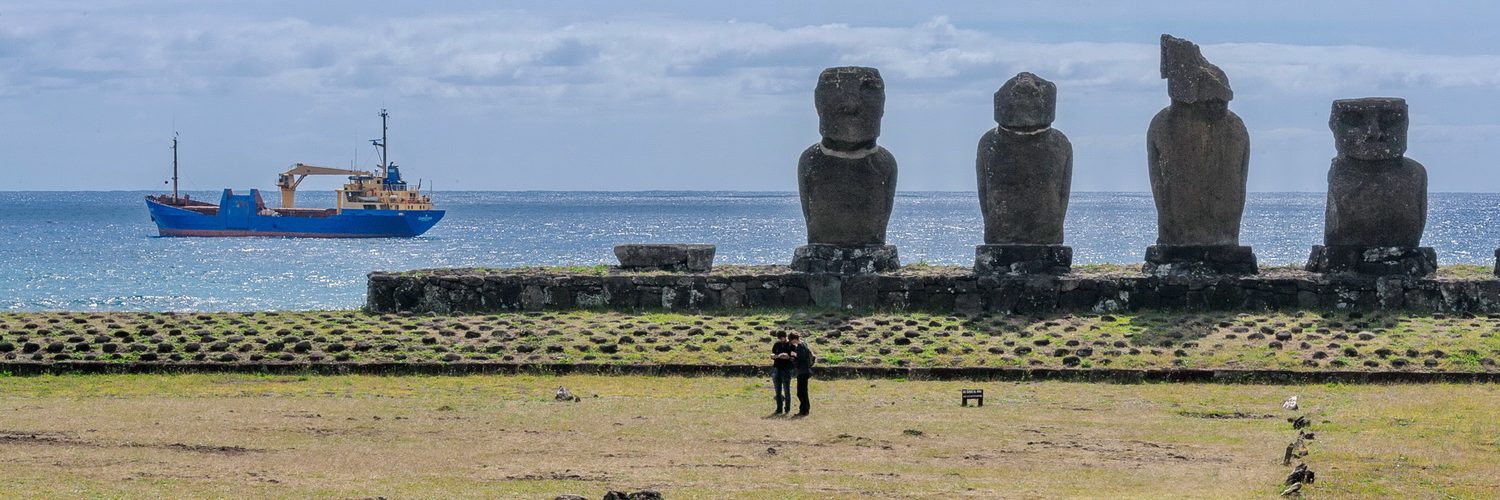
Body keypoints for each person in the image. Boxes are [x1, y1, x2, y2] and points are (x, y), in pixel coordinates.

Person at [790, 332, 815, 416]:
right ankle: (805, 409)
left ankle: (804, 410)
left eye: (791, 341)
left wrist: (794, 356)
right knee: (803, 392)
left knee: (801, 392)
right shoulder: (804, 343)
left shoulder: (800, 346)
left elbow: (801, 359)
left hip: (803, 371)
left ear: (794, 339)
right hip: (806, 371)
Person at [770, 331, 795, 415]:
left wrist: (788, 357)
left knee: (786, 390)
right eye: (779, 338)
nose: (780, 340)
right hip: (776, 368)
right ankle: (779, 408)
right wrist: (773, 355)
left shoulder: (791, 345)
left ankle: (787, 409)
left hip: (786, 370)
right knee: (777, 390)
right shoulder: (776, 344)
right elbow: (772, 353)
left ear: (785, 337)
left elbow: (793, 357)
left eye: (781, 338)